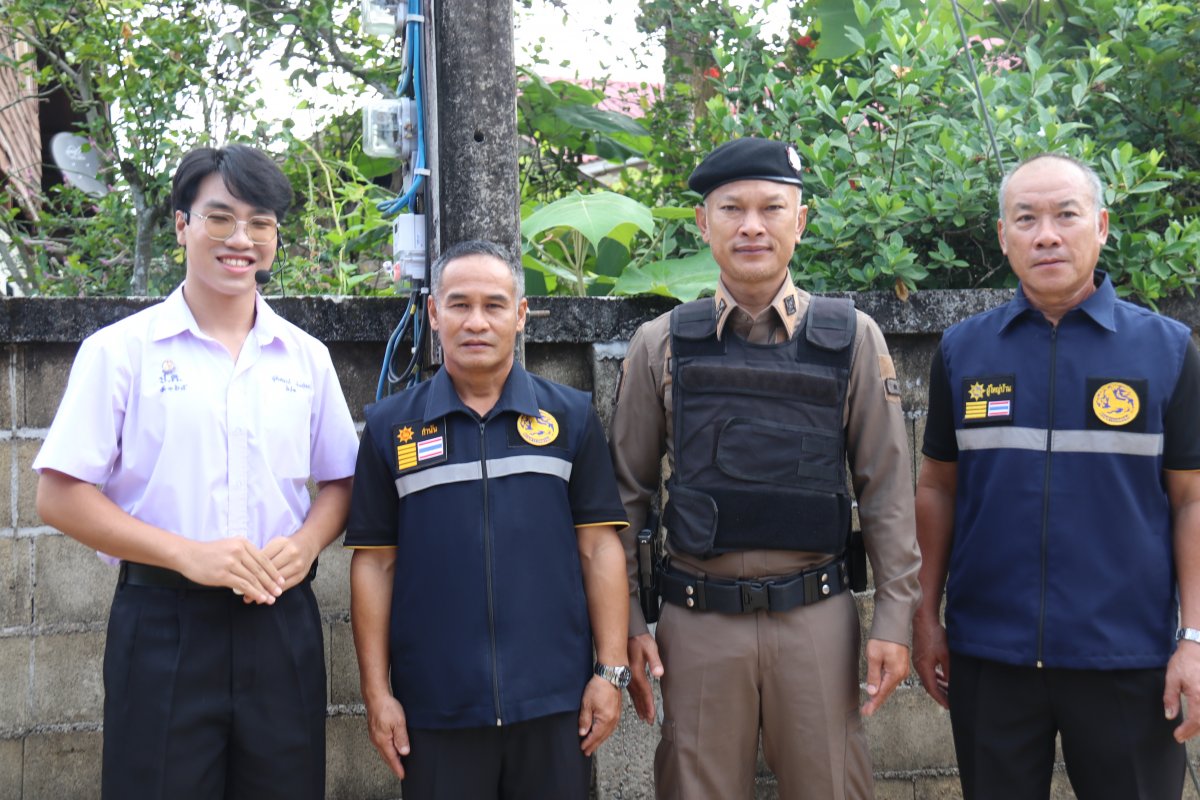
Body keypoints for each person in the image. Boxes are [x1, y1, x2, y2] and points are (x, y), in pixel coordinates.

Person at [33, 144, 359, 799]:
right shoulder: (120, 352)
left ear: (274, 239)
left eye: (260, 222)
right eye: (220, 218)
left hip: (280, 620)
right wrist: (188, 555)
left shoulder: (306, 358)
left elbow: (342, 483)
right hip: (163, 622)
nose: (241, 239)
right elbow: (59, 495)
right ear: (182, 225)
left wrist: (306, 544)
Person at [609, 137, 922, 799]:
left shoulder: (852, 338)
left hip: (816, 620)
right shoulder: (660, 343)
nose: (752, 226)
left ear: (799, 222)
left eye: (771, 208)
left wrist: (896, 620)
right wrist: (628, 624)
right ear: (704, 224)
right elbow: (623, 500)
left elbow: (888, 492)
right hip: (697, 622)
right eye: (732, 209)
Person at [912, 152, 1200, 799]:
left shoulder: (1167, 350)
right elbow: (936, 487)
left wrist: (1195, 638)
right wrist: (925, 616)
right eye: (1026, 219)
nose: (1046, 235)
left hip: (1128, 658)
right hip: (990, 656)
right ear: (1003, 236)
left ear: (1100, 226)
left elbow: (1192, 501)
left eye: (1066, 215)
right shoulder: (963, 351)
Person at [346, 239, 631, 799]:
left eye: (494, 305)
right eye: (459, 304)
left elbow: (600, 549)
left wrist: (610, 671)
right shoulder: (389, 428)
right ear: (434, 313)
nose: (476, 321)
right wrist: (377, 694)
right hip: (435, 712)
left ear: (520, 315)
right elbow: (374, 565)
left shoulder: (570, 417)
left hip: (556, 706)